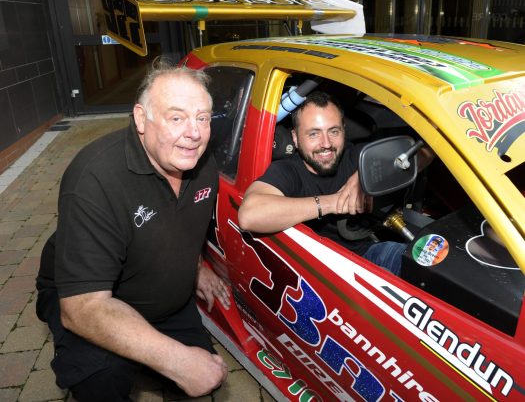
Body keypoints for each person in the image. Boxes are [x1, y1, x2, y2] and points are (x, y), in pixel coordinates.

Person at [36, 59, 231, 401]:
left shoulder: (201, 162)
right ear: (142, 119)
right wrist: (176, 360)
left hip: (167, 299)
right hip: (97, 301)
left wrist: (196, 267)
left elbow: (180, 223)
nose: (195, 132)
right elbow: (83, 307)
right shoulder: (94, 178)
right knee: (102, 378)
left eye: (202, 117)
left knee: (208, 375)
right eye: (176, 117)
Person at [238, 91, 406, 275]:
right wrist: (333, 202)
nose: (326, 143)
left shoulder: (355, 157)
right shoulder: (288, 171)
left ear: (343, 130)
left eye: (333, 131)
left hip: (368, 252)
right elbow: (249, 216)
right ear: (295, 138)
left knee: (421, 264)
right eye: (313, 134)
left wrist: (363, 174)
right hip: (326, 271)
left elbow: (421, 153)